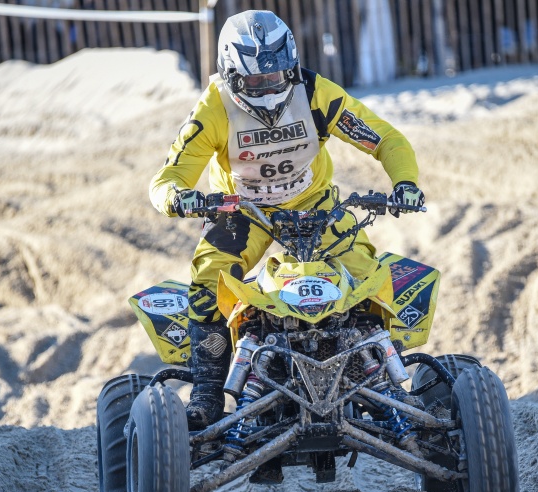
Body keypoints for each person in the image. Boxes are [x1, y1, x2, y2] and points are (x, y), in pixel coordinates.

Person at [148, 10, 425, 430]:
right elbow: (167, 178)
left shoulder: (316, 93)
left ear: (291, 66)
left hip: (314, 204)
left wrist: (405, 182)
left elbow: (385, 138)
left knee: (367, 278)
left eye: (277, 76)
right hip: (243, 211)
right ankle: (207, 392)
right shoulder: (213, 108)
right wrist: (176, 198)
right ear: (232, 74)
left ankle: (384, 379)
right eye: (257, 80)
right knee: (208, 282)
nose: (270, 87)